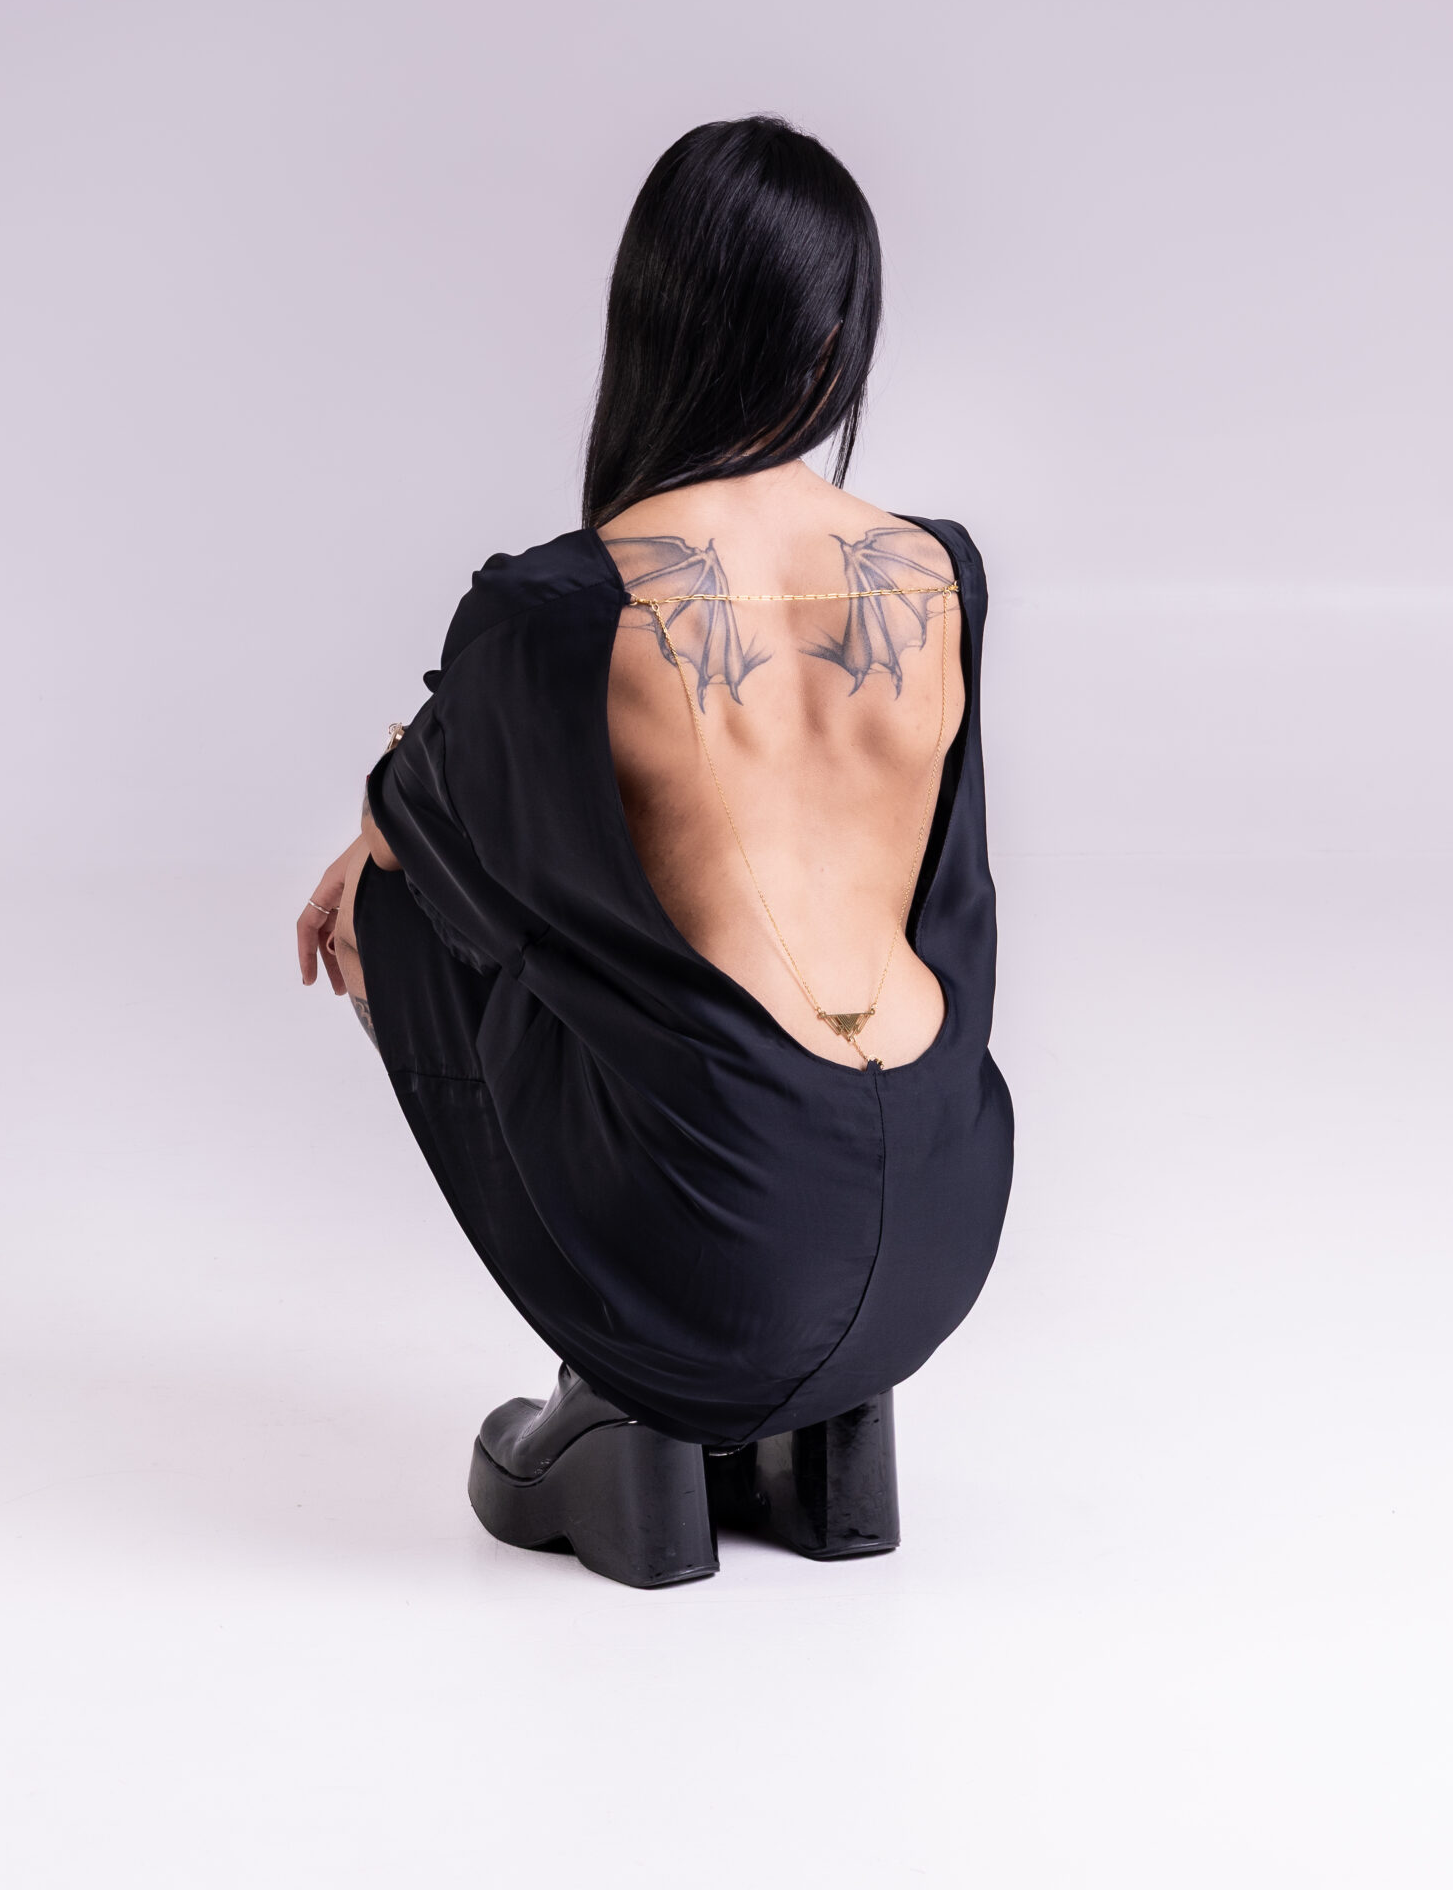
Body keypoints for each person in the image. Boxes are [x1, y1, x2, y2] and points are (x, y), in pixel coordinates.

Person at [297, 116, 1012, 1586]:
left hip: (719, 1272)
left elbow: (428, 818)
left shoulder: (560, 610)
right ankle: (832, 1453)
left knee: (398, 894)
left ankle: (622, 1392)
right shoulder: (938, 573)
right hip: (944, 1231)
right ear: (838, 336)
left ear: (656, 324)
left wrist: (378, 827)